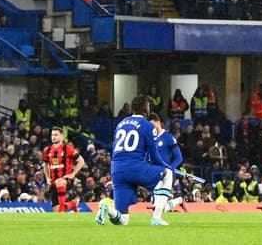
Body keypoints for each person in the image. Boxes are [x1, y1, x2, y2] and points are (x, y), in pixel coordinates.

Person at [95, 95, 177, 228]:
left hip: (116, 170)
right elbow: (155, 157)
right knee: (167, 174)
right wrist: (168, 167)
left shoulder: (120, 124)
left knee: (123, 219)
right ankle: (156, 218)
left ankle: (107, 208)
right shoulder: (148, 126)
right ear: (146, 108)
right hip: (134, 167)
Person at [150, 112, 188, 216]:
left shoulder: (168, 137)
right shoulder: (150, 138)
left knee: (157, 209)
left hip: (165, 173)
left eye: (153, 124)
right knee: (158, 208)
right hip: (153, 173)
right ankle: (179, 200)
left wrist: (170, 168)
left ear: (158, 123)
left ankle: (179, 200)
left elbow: (179, 157)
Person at [43, 125, 87, 212]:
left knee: (59, 182)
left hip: (66, 179)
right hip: (53, 181)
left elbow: (81, 161)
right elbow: (45, 164)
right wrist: (47, 177)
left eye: (56, 135)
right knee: (58, 211)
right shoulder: (47, 150)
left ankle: (63, 207)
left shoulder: (68, 149)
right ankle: (72, 204)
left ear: (62, 136)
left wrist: (73, 174)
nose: (53, 137)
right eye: (52, 135)